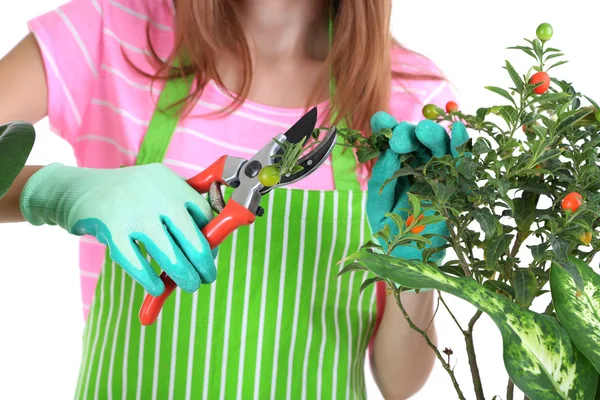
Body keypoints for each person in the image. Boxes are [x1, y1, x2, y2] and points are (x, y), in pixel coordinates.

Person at [0, 0, 467, 398]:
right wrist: (58, 191)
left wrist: (414, 266)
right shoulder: (109, 32)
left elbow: (399, 383)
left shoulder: (410, 104)